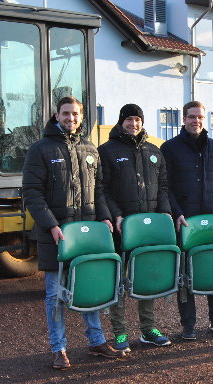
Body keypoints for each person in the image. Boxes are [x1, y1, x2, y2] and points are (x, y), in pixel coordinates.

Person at [22, 96, 126, 370]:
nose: (71, 118)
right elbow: (32, 194)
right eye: (66, 113)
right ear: (57, 116)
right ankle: (59, 349)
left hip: (88, 232)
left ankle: (97, 342)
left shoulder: (90, 149)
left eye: (76, 114)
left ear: (81, 117)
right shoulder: (40, 150)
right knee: (55, 295)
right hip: (55, 234)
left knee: (89, 287)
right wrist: (51, 225)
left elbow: (99, 189)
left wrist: (103, 216)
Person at [161, 100, 213, 340]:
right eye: (192, 117)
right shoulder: (170, 148)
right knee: (186, 274)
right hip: (186, 220)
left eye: (200, 118)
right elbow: (165, 187)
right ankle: (188, 325)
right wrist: (177, 212)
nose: (196, 121)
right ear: (183, 119)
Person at [98, 104, 172, 352]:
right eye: (129, 119)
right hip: (121, 228)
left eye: (137, 119)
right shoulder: (106, 151)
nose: (134, 124)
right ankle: (120, 334)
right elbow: (103, 189)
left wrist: (164, 212)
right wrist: (116, 215)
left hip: (148, 227)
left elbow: (162, 186)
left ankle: (148, 330)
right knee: (119, 281)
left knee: (146, 278)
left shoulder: (154, 151)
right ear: (121, 122)